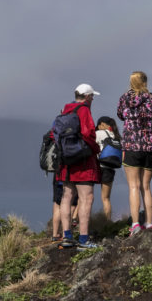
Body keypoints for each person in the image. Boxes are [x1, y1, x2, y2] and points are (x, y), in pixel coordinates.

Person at [56, 83, 100, 249]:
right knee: (86, 198)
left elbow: (56, 134)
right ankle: (83, 239)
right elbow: (89, 134)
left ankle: (67, 236)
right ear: (87, 96)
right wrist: (95, 149)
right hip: (82, 161)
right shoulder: (84, 110)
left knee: (66, 196)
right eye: (92, 96)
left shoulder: (65, 110)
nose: (93, 99)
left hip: (66, 162)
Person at [117, 71, 152, 237]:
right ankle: (149, 223)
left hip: (131, 146)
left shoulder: (124, 98)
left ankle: (135, 224)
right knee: (146, 187)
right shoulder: (151, 99)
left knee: (133, 186)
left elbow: (120, 115)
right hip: (150, 147)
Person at [95, 116, 121, 221]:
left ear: (102, 124)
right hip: (110, 168)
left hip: (97, 166)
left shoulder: (98, 133)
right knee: (106, 198)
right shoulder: (115, 135)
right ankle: (107, 223)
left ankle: (75, 219)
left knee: (85, 196)